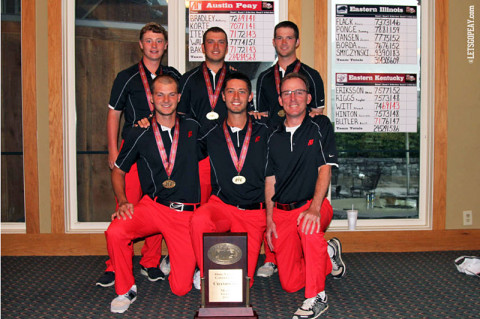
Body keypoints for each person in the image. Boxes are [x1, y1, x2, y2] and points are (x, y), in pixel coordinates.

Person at [106, 75, 201, 313]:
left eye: (171, 95)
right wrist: (124, 201)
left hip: (184, 214)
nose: (166, 100)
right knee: (116, 230)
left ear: (179, 98)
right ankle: (125, 289)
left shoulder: (193, 126)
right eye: (160, 94)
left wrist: (252, 115)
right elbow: (118, 172)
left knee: (181, 288)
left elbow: (226, 131)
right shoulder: (138, 132)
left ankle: (176, 260)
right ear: (151, 99)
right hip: (154, 207)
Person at [98, 22, 181, 287]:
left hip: (162, 154)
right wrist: (113, 149)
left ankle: (150, 262)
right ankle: (113, 266)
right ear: (141, 44)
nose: (154, 45)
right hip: (133, 150)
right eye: (149, 40)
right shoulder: (127, 76)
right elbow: (114, 113)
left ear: (165, 45)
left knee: (157, 204)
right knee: (126, 204)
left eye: (159, 40)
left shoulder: (173, 76)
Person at [265, 73, 344, 318]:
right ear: (280, 100)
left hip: (313, 204)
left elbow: (325, 169)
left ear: (309, 98)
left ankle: (317, 297)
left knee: (309, 228)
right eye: (287, 93)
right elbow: (270, 181)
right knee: (289, 283)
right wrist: (269, 220)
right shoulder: (271, 136)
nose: (293, 98)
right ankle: (328, 255)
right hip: (282, 212)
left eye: (299, 92)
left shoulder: (320, 126)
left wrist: (314, 208)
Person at [255, 20, 328, 278]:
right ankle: (271, 257)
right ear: (274, 42)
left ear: (297, 42)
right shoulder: (264, 78)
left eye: (289, 38)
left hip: (302, 149)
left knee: (302, 206)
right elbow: (263, 116)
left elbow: (318, 116)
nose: (284, 42)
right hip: (275, 147)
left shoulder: (312, 75)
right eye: (279, 38)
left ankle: (314, 254)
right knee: (272, 198)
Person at [190, 73, 269, 290]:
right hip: (222, 206)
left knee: (244, 284)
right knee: (199, 220)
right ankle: (205, 270)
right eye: (231, 91)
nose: (236, 96)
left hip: (253, 212)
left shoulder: (266, 130)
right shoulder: (211, 133)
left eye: (242, 91)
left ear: (250, 97)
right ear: (223, 96)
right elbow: (181, 151)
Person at [178, 26, 233, 205]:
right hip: (198, 156)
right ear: (202, 47)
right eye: (210, 42)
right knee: (199, 206)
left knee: (228, 208)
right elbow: (179, 117)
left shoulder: (236, 78)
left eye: (221, 42)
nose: (216, 46)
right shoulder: (187, 79)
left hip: (230, 156)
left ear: (227, 47)